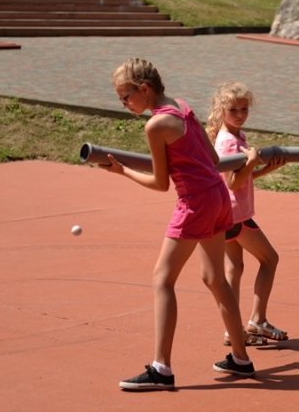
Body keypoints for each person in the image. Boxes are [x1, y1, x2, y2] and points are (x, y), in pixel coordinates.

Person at [101, 59, 255, 391]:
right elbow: (214, 160)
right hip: (217, 196)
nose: (124, 103)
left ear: (144, 89)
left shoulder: (155, 125)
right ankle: (241, 359)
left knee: (162, 279)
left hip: (196, 202)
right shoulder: (182, 106)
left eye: (125, 97)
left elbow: (161, 183)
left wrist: (122, 171)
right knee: (215, 278)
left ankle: (161, 369)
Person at [206, 82, 289, 347]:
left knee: (235, 268)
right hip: (236, 216)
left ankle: (233, 329)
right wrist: (253, 161)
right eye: (233, 110)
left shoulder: (235, 135)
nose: (240, 114)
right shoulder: (229, 142)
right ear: (221, 110)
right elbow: (233, 183)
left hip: (227, 214)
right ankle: (257, 320)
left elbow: (241, 177)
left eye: (244, 109)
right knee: (270, 259)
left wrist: (265, 169)